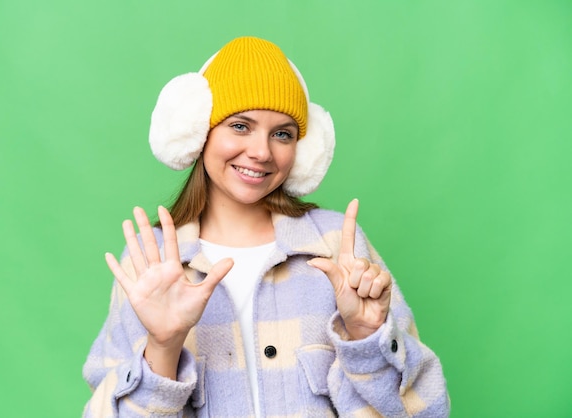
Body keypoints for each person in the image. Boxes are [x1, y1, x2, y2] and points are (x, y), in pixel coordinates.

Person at [83, 36, 449, 417]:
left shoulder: (336, 245)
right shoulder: (151, 261)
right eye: (240, 126)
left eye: (282, 134)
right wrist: (163, 346)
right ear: (198, 131)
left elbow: (427, 410)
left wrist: (366, 338)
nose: (262, 152)